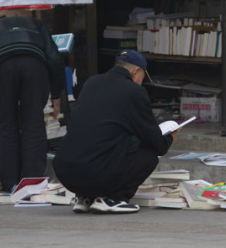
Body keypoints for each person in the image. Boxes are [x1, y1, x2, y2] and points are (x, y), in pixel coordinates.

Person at [53, 49, 177, 214]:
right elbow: (156, 143)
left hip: (65, 171)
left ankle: (85, 197)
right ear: (136, 72)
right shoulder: (134, 92)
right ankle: (115, 199)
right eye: (142, 78)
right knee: (148, 155)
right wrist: (170, 138)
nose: (141, 82)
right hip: (96, 173)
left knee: (103, 142)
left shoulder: (91, 83)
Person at [0, 14, 66, 192]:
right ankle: (33, 182)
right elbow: (55, 59)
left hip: (1, 65)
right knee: (33, 123)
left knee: (6, 125)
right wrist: (56, 93)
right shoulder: (37, 25)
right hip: (33, 64)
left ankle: (10, 183)